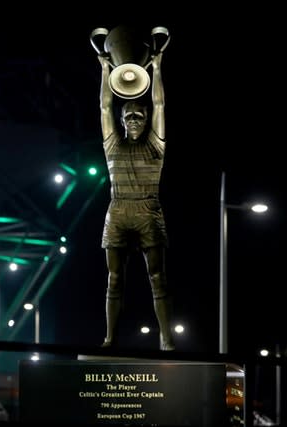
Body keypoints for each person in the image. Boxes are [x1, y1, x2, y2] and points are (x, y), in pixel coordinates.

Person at [97, 43, 175, 351]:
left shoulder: (156, 144)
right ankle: (110, 337)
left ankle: (166, 339)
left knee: (158, 278)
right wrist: (104, 70)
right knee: (114, 279)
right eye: (128, 115)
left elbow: (160, 104)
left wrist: (157, 68)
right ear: (121, 120)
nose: (133, 120)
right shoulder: (112, 144)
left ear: (145, 120)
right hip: (117, 211)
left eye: (139, 116)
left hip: (148, 210)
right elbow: (105, 107)